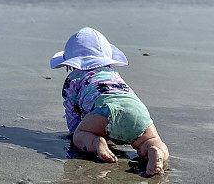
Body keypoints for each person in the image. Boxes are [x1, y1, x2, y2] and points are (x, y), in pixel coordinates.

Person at [50, 27, 169, 176]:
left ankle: (97, 143)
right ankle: (156, 151)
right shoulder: (113, 73)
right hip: (138, 110)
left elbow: (71, 111)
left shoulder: (74, 79)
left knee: (81, 134)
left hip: (105, 110)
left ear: (71, 63)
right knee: (151, 139)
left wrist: (78, 133)